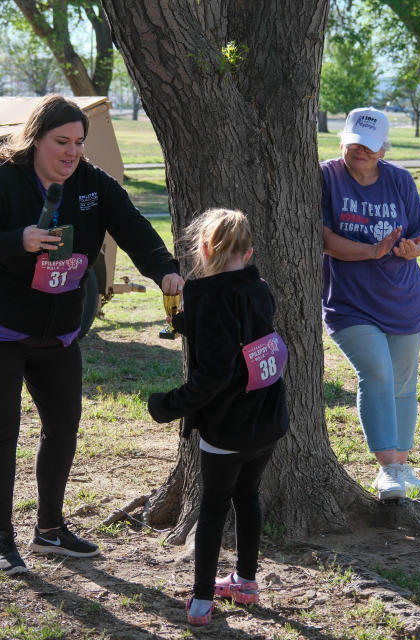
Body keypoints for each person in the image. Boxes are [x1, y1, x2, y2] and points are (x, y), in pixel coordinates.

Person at [0, 94, 184, 575]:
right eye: (61, 141)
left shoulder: (93, 184)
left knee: (63, 427)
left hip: (56, 328)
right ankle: (1, 538)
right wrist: (19, 240)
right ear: (36, 139)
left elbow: (134, 227)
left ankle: (50, 530)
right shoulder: (0, 181)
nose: (71, 152)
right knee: (1, 430)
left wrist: (165, 271)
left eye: (79, 142)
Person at [147, 208, 289, 626]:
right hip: (266, 420)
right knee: (247, 497)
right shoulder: (259, 288)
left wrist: (166, 406)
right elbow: (239, 334)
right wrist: (190, 326)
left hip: (226, 427)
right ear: (249, 252)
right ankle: (245, 582)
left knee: (212, 508)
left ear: (205, 249)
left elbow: (213, 374)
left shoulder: (204, 296)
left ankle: (202, 601)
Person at [321, 106, 420, 501]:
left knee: (403, 385)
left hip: (404, 298)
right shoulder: (327, 176)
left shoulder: (399, 179)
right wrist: (372, 251)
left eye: (367, 146)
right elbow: (325, 240)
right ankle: (387, 471)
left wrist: (408, 249)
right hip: (349, 303)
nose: (359, 151)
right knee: (378, 375)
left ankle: (402, 465)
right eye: (353, 143)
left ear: (382, 148)